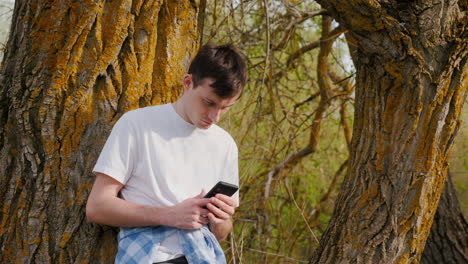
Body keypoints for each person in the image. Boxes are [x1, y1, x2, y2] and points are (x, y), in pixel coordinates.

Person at [86, 43, 247, 264]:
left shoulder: (225, 145)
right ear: (188, 83)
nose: (215, 116)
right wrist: (168, 215)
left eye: (225, 107)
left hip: (204, 256)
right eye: (209, 103)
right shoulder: (137, 124)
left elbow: (220, 234)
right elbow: (97, 207)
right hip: (149, 256)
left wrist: (221, 219)